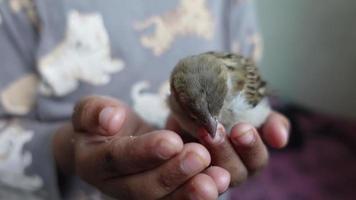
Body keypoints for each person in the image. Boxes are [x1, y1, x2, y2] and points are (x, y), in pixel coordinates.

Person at [0, 0, 289, 199]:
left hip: (206, 189)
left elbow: (255, 81)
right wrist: (67, 149)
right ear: (175, 94)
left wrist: (247, 145)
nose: (209, 123)